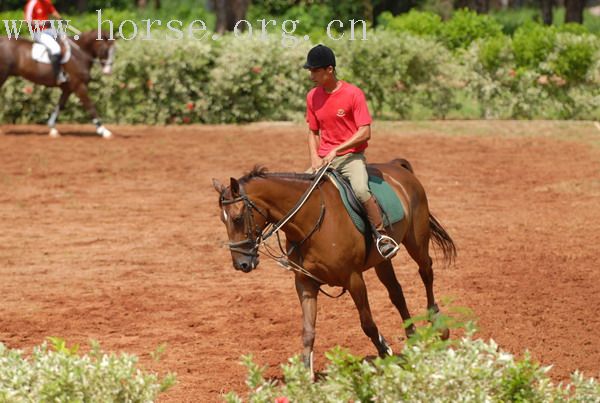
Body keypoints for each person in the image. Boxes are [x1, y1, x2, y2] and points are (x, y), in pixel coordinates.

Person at [304, 44, 399, 259]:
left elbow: (365, 132)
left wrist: (336, 150)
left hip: (350, 158)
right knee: (300, 193)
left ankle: (381, 236)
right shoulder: (312, 96)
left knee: (360, 190)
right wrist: (314, 156)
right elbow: (312, 131)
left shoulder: (353, 94)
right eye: (310, 71)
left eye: (315, 71)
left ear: (329, 69)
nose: (311, 76)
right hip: (323, 159)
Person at [24, 0, 66, 83]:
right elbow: (27, 21)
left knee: (66, 40)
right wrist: (42, 23)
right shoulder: (32, 3)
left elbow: (53, 11)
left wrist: (61, 19)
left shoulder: (47, 2)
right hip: (37, 32)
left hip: (48, 30)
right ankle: (57, 75)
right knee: (56, 49)